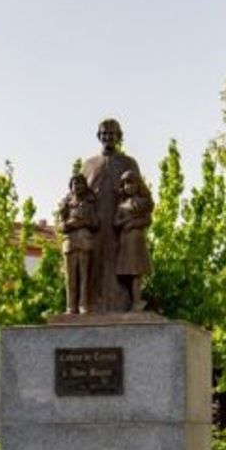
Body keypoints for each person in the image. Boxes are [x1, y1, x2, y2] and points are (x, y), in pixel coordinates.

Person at [78, 118, 144, 313]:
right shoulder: (88, 165)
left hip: (121, 224)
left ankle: (126, 303)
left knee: (123, 265)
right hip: (95, 224)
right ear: (99, 136)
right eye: (104, 134)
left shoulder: (128, 162)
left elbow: (140, 192)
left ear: (119, 137)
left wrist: (135, 219)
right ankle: (91, 304)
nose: (108, 137)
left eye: (112, 134)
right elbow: (79, 193)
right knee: (94, 265)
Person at [57, 171, 100, 314]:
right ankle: (70, 306)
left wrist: (82, 222)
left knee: (84, 277)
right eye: (75, 183)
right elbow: (60, 226)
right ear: (71, 187)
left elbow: (95, 223)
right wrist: (69, 224)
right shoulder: (66, 205)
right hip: (70, 243)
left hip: (85, 242)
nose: (78, 186)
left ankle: (83, 305)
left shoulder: (89, 203)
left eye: (81, 183)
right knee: (70, 278)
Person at [114, 167, 153, 311]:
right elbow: (115, 222)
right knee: (127, 272)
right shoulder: (122, 205)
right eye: (125, 184)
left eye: (131, 183)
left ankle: (137, 301)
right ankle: (131, 300)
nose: (128, 187)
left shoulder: (142, 202)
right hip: (125, 241)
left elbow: (147, 220)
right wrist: (126, 222)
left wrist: (134, 223)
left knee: (136, 272)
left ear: (138, 185)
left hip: (136, 240)